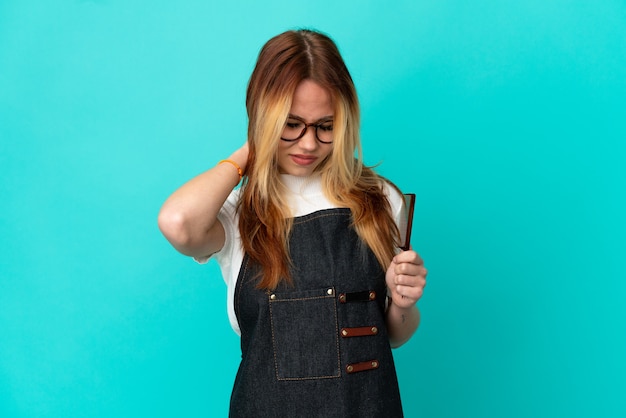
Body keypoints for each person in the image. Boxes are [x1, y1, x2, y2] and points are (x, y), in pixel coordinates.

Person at [158, 29, 427, 417]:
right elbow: (178, 222)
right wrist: (254, 147)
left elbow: (395, 335)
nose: (308, 144)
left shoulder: (382, 200)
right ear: (263, 118)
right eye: (290, 124)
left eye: (326, 126)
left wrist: (404, 302)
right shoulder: (237, 213)